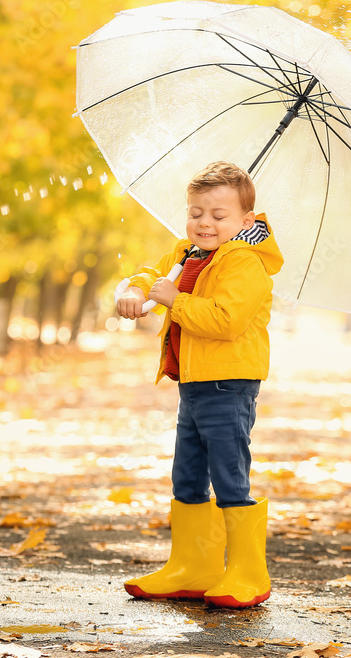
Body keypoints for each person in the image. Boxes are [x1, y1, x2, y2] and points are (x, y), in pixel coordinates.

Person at [115, 161, 283, 608]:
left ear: (246, 221)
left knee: (229, 474)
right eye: (196, 213)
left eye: (218, 215)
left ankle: (248, 572)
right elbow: (151, 274)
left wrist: (176, 300)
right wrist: (134, 291)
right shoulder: (188, 253)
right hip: (192, 382)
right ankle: (194, 566)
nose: (204, 223)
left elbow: (226, 321)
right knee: (187, 474)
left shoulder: (244, 263)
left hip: (229, 383)